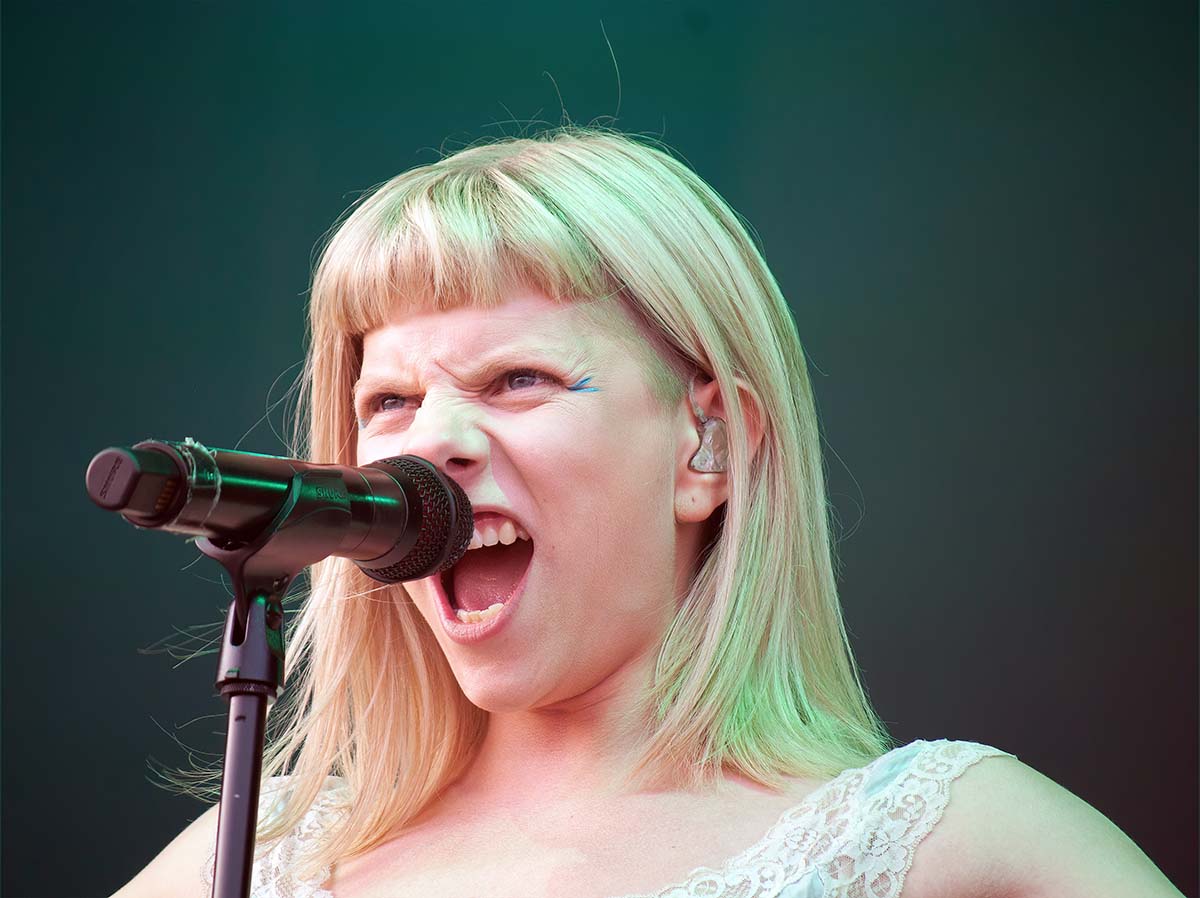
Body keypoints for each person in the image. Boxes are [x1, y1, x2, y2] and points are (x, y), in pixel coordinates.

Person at [114, 127, 1182, 898]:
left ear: (706, 446)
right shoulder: (263, 853)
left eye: (519, 378)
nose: (429, 441)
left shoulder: (943, 839)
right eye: (389, 400)